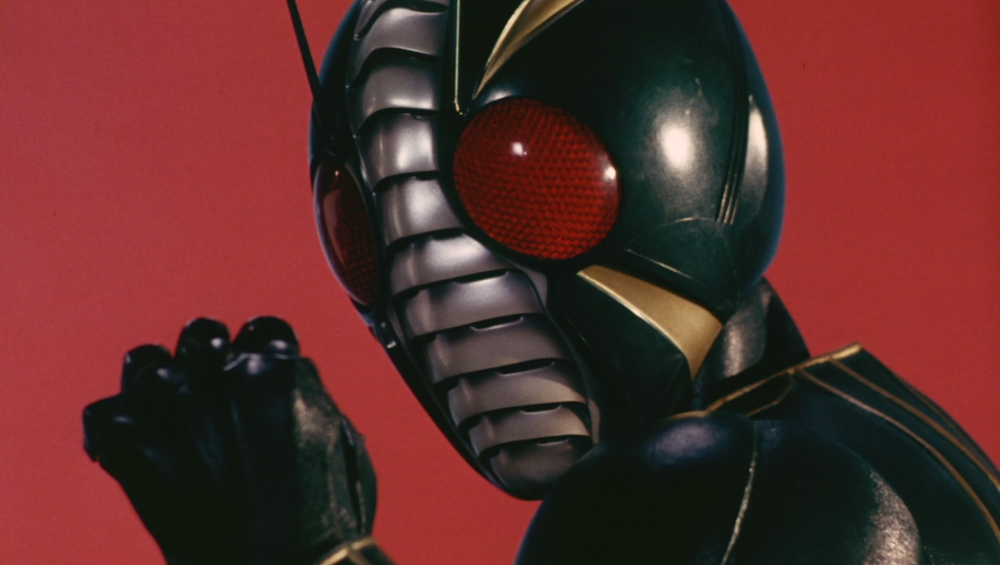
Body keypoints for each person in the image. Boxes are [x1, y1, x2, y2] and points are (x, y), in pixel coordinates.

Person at [84, 0, 1000, 563]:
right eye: (364, 227)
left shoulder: (733, 483)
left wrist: (311, 552)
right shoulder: (868, 428)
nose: (438, 283)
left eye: (523, 181)